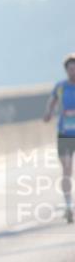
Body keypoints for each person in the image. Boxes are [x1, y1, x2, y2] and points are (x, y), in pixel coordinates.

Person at [43, 53, 75, 224]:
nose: (73, 71)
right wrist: (48, 113)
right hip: (64, 133)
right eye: (71, 68)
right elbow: (52, 101)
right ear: (66, 70)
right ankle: (68, 205)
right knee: (67, 169)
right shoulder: (61, 87)